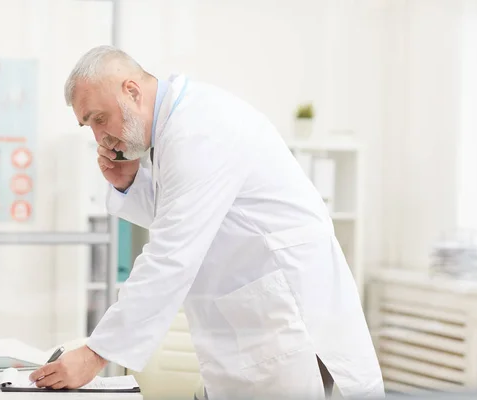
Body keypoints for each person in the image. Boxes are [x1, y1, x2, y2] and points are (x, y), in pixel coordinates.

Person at [29, 45, 385, 399]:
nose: (98, 136)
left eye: (99, 118)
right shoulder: (176, 130)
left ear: (132, 92)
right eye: (88, 124)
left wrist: (95, 354)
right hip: (249, 328)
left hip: (283, 328)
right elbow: (187, 220)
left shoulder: (200, 131)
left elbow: (171, 255)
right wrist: (129, 183)